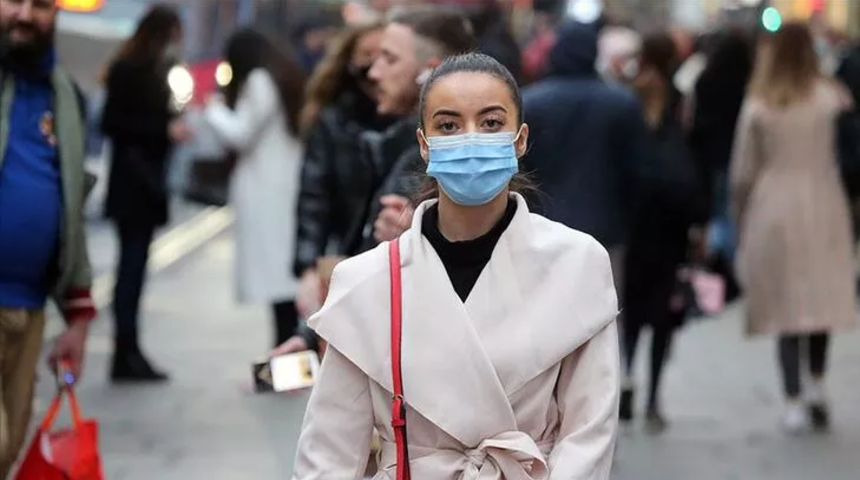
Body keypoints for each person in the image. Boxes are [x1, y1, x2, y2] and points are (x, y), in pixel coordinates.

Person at [292, 52, 620, 480]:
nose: (470, 140)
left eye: (491, 123)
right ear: (424, 144)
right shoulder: (367, 281)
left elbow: (588, 435)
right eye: (448, 126)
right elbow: (329, 451)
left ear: (520, 139)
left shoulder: (577, 264)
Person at [276, 5, 477, 355]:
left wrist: (423, 239)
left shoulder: (450, 161)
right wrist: (312, 336)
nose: (374, 71)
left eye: (389, 59)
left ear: (428, 72)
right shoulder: (403, 145)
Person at [731, 22, 856, 434]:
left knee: (784, 306)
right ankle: (817, 381)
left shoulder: (761, 100)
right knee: (819, 302)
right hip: (825, 201)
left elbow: (742, 171)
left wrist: (739, 214)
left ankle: (793, 401)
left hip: (774, 205)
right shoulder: (832, 97)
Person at [0, 0, 95, 475]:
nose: (24, 14)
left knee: (9, 449)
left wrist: (77, 318)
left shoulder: (64, 95)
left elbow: (71, 206)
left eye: (39, 3)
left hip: (30, 310)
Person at [521, 20, 655, 296]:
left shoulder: (530, 102)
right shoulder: (621, 103)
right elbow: (640, 172)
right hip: (605, 229)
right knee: (602, 307)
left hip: (542, 227)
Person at [620, 32, 706, 434]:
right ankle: (654, 397)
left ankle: (626, 377)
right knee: (662, 310)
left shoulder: (626, 97)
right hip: (671, 220)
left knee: (630, 305)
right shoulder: (681, 99)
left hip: (634, 217)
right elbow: (696, 159)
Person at [202, 28, 306, 348]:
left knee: (279, 287)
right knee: (283, 289)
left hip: (267, 193)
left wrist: (213, 108)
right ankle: (283, 359)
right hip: (278, 190)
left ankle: (283, 362)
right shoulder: (280, 77)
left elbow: (241, 133)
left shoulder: (260, 81)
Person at [102, 4, 187, 382]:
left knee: (134, 271)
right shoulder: (131, 69)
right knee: (130, 271)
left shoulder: (154, 69)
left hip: (144, 183)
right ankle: (125, 351)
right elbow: (113, 122)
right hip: (134, 185)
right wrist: (163, 129)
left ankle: (129, 349)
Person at [292, 22, 391, 332]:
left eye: (384, 55)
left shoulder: (414, 118)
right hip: (346, 256)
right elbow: (314, 197)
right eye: (366, 54)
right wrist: (308, 266)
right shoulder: (333, 120)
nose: (374, 66)